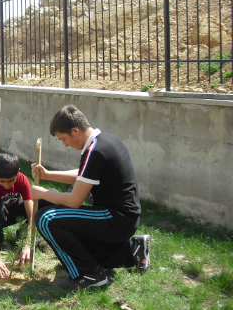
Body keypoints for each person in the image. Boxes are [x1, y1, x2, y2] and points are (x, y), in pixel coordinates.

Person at [30, 105, 150, 290]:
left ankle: (91, 275)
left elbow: (73, 201)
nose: (65, 145)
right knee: (57, 214)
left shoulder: (96, 151)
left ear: (75, 131)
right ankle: (130, 250)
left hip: (115, 218)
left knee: (46, 219)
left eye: (64, 139)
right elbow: (84, 174)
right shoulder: (103, 142)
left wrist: (43, 193)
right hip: (122, 217)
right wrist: (48, 175)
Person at [0, 153, 51, 278]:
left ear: (18, 172)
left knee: (41, 202)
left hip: (13, 210)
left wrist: (27, 244)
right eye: (2, 181)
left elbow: (31, 215)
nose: (7, 185)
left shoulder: (23, 180)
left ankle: (22, 233)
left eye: (10, 181)